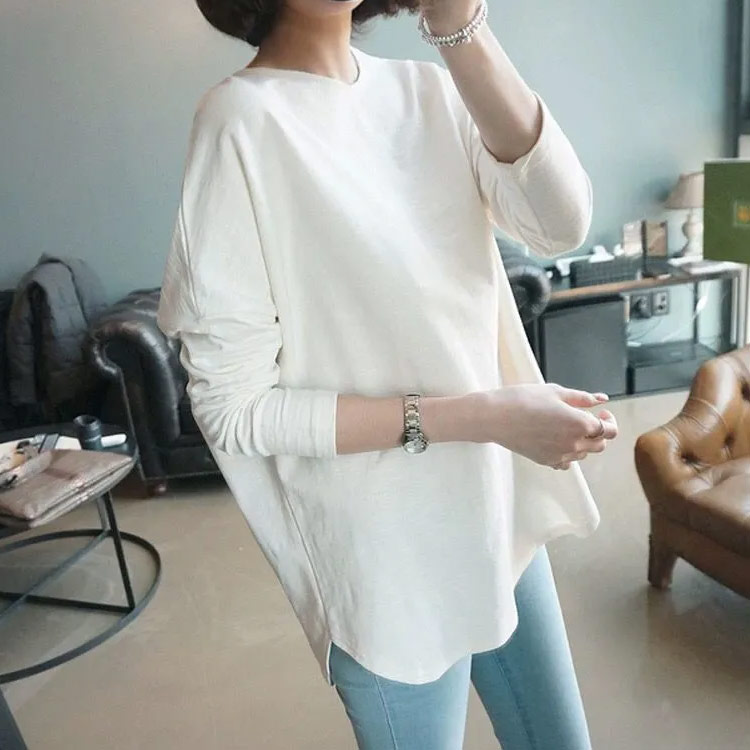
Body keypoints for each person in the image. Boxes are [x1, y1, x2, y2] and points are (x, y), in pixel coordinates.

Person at [156, 0, 619, 747]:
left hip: (494, 509)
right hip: (384, 558)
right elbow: (237, 409)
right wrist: (489, 416)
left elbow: (560, 222)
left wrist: (460, 24)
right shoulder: (239, 120)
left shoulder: (430, 89)